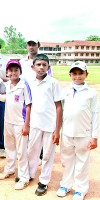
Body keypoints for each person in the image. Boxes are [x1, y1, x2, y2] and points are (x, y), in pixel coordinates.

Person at [56, 61, 98, 200]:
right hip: (67, 132)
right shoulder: (65, 92)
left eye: (81, 73)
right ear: (70, 75)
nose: (78, 76)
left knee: (82, 162)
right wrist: (58, 131)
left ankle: (80, 189)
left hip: (84, 133)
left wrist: (94, 136)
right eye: (74, 73)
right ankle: (66, 185)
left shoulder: (91, 93)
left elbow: (96, 114)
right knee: (67, 160)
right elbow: (60, 113)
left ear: (86, 74)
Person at [27, 54, 62, 196]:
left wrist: (57, 130)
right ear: (33, 67)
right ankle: (29, 174)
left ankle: (44, 181)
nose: (41, 68)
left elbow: (59, 106)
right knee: (32, 151)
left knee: (47, 154)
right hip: (35, 124)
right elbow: (29, 104)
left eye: (44, 65)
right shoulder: (30, 82)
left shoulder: (53, 82)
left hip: (50, 125)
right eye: (38, 65)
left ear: (49, 67)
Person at [0, 60, 32, 190]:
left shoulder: (24, 85)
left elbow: (28, 105)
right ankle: (9, 169)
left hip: (20, 123)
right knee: (9, 148)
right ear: (7, 72)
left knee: (21, 151)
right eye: (11, 70)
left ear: (20, 72)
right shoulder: (7, 85)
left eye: (16, 70)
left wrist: (26, 125)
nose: (13, 72)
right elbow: (7, 98)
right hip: (8, 121)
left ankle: (24, 177)